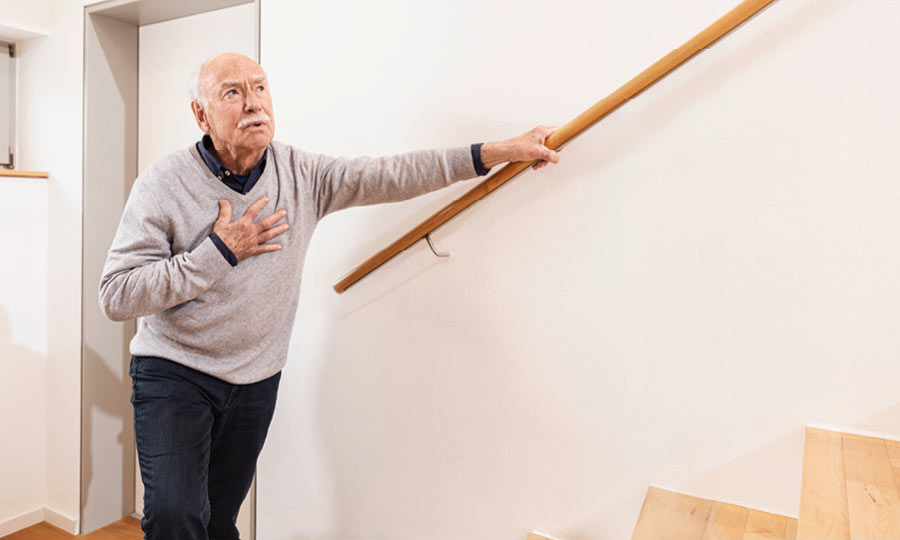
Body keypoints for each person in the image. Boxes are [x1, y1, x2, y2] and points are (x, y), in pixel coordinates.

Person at [99, 51, 560, 540]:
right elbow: (117, 295)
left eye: (259, 87)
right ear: (201, 114)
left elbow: (393, 174)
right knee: (174, 518)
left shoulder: (303, 174)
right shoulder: (163, 183)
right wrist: (219, 252)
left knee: (217, 523)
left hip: (255, 379)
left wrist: (499, 151)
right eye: (232, 92)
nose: (253, 103)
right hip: (176, 373)